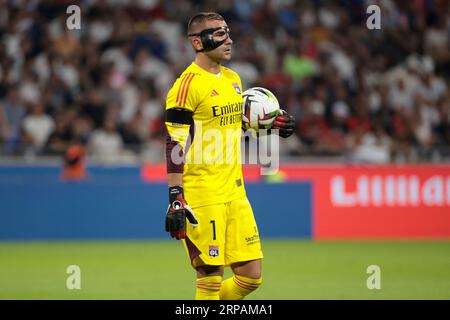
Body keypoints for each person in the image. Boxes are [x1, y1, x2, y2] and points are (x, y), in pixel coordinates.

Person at [164, 12, 295, 300]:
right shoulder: (187, 85)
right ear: (198, 41)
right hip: (202, 195)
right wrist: (176, 196)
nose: (229, 39)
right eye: (219, 33)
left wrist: (272, 124)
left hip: (235, 193)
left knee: (251, 278)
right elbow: (174, 142)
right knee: (210, 276)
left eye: (228, 32)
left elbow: (233, 124)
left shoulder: (234, 80)